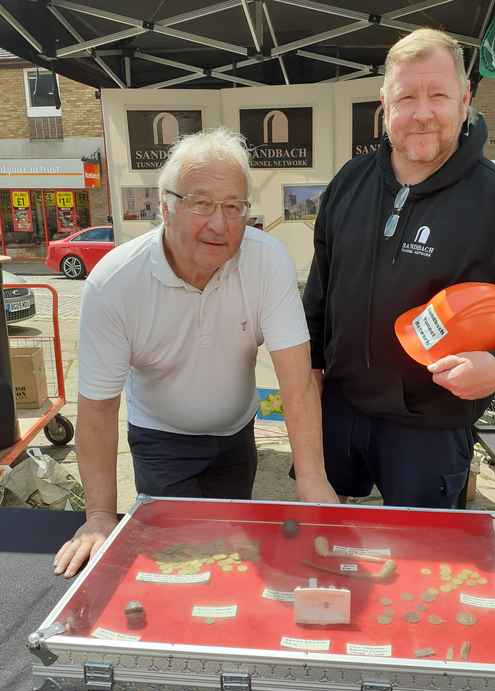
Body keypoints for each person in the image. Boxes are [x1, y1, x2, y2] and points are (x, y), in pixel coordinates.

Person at [54, 127, 338, 578]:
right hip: (161, 440)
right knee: (178, 564)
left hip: (236, 436)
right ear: (165, 207)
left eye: (233, 207)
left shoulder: (267, 261)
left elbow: (297, 380)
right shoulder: (115, 283)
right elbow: (97, 409)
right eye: (201, 203)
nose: (219, 224)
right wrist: (100, 516)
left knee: (232, 558)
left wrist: (312, 481)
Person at [303, 28, 495, 509]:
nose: (422, 113)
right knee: (329, 552)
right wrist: (308, 371)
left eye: (438, 94)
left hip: (430, 427)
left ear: (464, 99)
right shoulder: (349, 184)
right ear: (385, 104)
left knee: (418, 564)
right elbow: (319, 291)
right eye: (406, 97)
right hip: (338, 410)